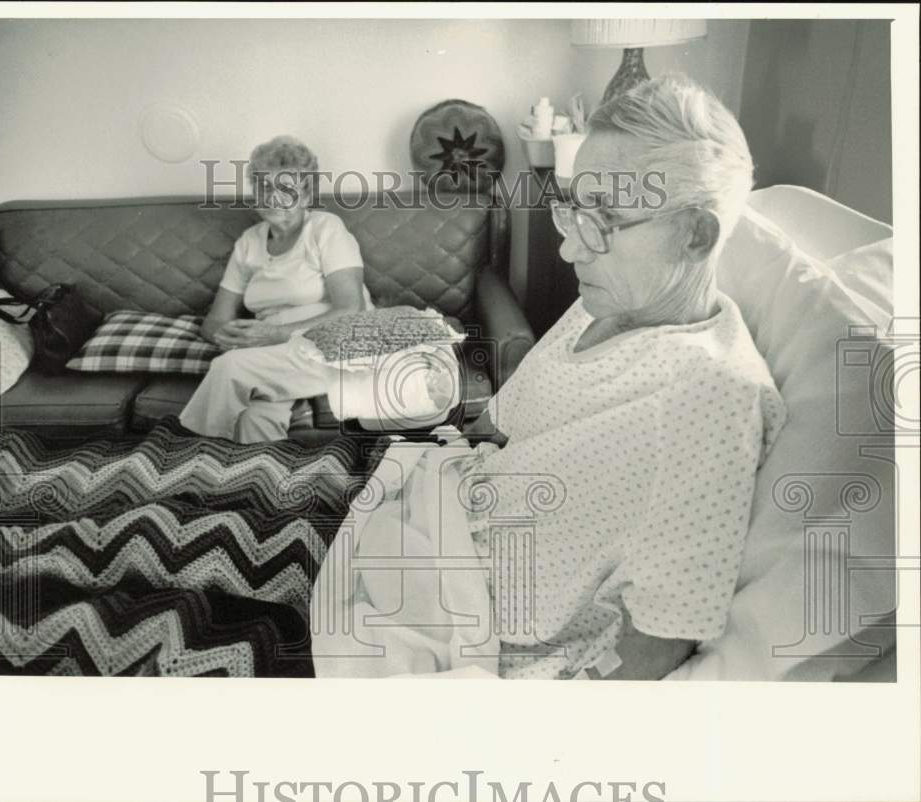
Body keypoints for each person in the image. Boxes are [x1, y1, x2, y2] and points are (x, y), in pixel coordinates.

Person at [311, 74, 788, 681]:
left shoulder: (712, 396)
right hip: (432, 506)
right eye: (572, 211)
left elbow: (663, 633)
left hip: (457, 602)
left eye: (603, 223)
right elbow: (500, 426)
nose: (569, 252)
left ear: (696, 234)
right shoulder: (605, 302)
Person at [179, 135, 373, 443]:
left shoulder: (325, 229)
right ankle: (268, 485)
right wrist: (235, 337)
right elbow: (214, 321)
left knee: (229, 368)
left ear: (306, 195)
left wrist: (278, 335)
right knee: (253, 417)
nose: (272, 197)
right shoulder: (248, 242)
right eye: (264, 187)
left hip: (331, 348)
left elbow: (351, 308)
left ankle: (184, 451)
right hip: (272, 354)